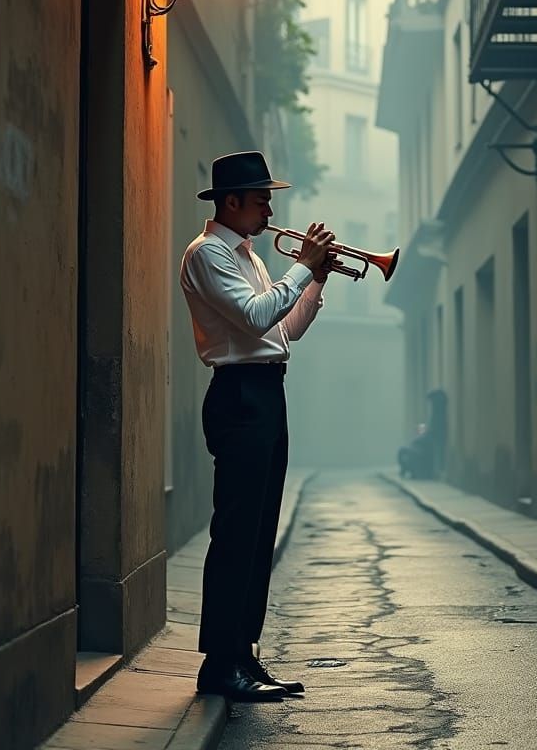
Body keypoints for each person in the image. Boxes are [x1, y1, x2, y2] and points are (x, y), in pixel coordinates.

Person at [179, 150, 337, 703]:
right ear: (232, 202)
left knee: (260, 531)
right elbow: (253, 315)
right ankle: (219, 664)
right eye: (262, 198)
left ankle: (243, 655)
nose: (271, 208)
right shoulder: (208, 255)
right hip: (239, 395)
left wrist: (313, 279)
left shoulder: (250, 256)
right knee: (236, 534)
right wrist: (300, 267)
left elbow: (283, 328)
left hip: (267, 390)